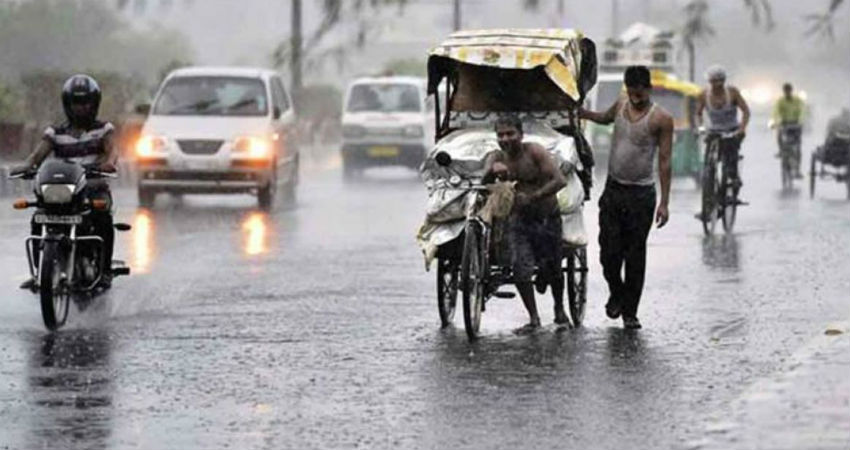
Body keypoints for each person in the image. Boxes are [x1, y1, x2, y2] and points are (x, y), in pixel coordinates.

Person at [579, 65, 674, 330]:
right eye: (632, 93)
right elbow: (605, 118)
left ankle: (630, 312)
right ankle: (616, 292)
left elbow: (665, 162)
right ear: (627, 90)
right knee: (609, 253)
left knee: (634, 255)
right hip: (613, 190)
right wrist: (583, 113)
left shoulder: (662, 119)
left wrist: (664, 203)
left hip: (641, 195)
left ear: (649, 89)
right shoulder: (621, 103)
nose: (636, 99)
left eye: (640, 94)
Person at [12, 74, 118, 290]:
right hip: (63, 191)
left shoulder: (104, 129)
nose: (81, 108)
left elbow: (112, 151)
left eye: (86, 102)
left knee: (103, 219)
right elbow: (36, 157)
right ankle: (38, 274)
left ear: (95, 103)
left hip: (92, 189)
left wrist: (109, 163)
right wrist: (26, 167)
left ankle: (105, 270)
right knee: (38, 217)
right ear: (67, 104)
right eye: (76, 103)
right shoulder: (55, 132)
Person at [483, 115, 567, 333]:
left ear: (521, 135)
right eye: (500, 135)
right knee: (521, 270)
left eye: (510, 133)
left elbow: (559, 180)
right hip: (519, 220)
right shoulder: (496, 157)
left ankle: (559, 308)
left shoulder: (535, 152)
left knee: (553, 269)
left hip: (547, 217)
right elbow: (484, 184)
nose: (505, 139)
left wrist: (534, 196)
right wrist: (492, 172)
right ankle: (534, 318)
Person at [695, 65, 751, 188]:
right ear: (709, 82)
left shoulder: (732, 92)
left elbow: (746, 111)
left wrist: (742, 129)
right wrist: (701, 127)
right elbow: (698, 113)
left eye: (720, 80)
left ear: (724, 80)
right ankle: (709, 176)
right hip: (714, 130)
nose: (718, 84)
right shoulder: (704, 95)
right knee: (710, 154)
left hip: (732, 130)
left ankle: (733, 175)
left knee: (731, 153)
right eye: (714, 81)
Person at [771, 82, 806, 177]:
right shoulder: (780, 101)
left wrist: (800, 121)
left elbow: (802, 110)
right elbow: (775, 111)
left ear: (791, 90)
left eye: (788, 90)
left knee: (797, 147)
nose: (787, 92)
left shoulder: (797, 100)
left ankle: (797, 169)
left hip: (795, 124)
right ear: (784, 91)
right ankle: (781, 150)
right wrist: (776, 121)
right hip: (784, 123)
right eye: (785, 91)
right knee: (779, 135)